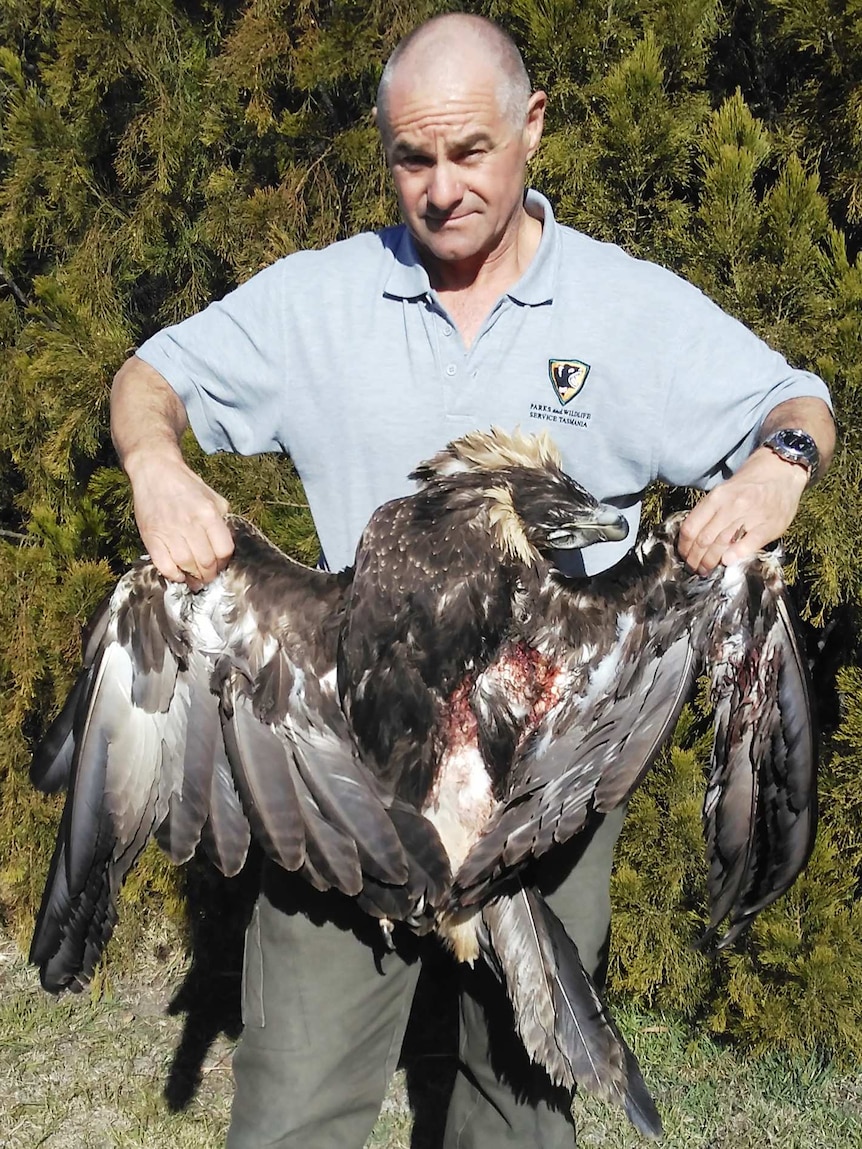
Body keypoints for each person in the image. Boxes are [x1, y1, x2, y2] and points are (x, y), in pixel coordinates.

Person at [110, 13, 835, 1148]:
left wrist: (778, 471)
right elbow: (150, 374)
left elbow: (792, 401)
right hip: (345, 786)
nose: (441, 187)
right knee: (293, 1114)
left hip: (546, 786)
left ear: (533, 128)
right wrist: (155, 464)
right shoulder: (319, 302)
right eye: (412, 158)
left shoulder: (628, 309)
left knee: (517, 1122)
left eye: (469, 151)